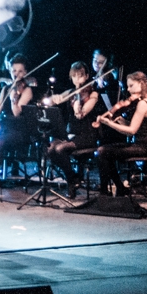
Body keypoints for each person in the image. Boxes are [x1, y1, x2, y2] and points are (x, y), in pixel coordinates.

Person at [91, 71, 147, 196]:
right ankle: (118, 188)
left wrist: (109, 123)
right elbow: (137, 127)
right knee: (103, 152)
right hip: (145, 145)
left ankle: (106, 192)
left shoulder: (142, 103)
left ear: (140, 84)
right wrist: (122, 122)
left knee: (102, 151)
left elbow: (132, 131)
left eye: (131, 85)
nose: (128, 89)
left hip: (144, 147)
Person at [0, 54, 35, 198]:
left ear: (25, 72)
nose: (16, 74)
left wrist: (13, 100)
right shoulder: (5, 89)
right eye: (14, 70)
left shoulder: (27, 90)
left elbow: (16, 113)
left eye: (20, 71)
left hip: (19, 129)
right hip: (4, 127)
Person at [45, 61, 100, 197]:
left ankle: (71, 181)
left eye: (80, 76)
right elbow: (52, 100)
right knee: (50, 149)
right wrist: (55, 99)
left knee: (60, 149)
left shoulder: (93, 94)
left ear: (86, 76)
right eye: (74, 76)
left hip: (87, 135)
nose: (77, 79)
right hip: (71, 134)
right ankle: (72, 178)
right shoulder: (71, 92)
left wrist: (77, 105)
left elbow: (82, 113)